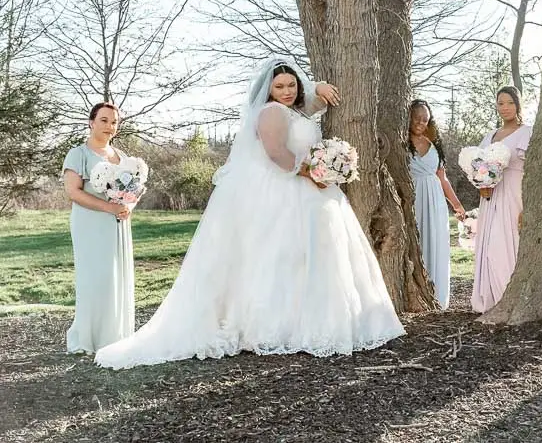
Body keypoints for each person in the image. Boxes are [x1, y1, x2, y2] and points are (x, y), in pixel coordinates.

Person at [94, 55, 405, 369]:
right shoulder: (270, 112)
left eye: (291, 85)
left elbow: (312, 107)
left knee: (311, 257)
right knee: (281, 257)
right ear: (268, 89)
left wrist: (317, 88)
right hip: (285, 188)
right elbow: (277, 154)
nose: (286, 90)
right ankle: (273, 326)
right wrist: (314, 173)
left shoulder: (293, 109)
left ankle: (308, 321)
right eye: (279, 86)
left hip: (309, 189)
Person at [62, 102, 135, 354]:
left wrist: (127, 206)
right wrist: (109, 208)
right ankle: (88, 338)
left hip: (118, 224)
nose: (109, 126)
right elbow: (73, 192)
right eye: (103, 120)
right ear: (91, 122)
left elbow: (131, 192)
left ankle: (115, 334)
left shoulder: (122, 158)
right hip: (89, 223)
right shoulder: (78, 154)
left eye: (114, 122)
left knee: (116, 276)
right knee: (95, 278)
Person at [471, 87, 532, 313]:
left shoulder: (527, 132)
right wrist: (482, 186)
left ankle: (509, 293)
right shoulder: (489, 136)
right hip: (490, 196)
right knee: (488, 243)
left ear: (518, 105)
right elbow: (478, 168)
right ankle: (489, 296)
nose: (505, 108)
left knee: (507, 242)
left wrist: (528, 205)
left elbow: (533, 170)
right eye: (500, 103)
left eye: (509, 103)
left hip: (514, 194)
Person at [408, 99, 465, 309]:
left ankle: (437, 295)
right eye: (417, 118)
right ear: (409, 117)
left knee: (435, 242)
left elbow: (443, 179)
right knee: (418, 242)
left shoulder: (434, 145)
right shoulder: (401, 143)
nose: (421, 123)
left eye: (425, 119)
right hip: (413, 198)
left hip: (435, 201)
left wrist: (457, 206)